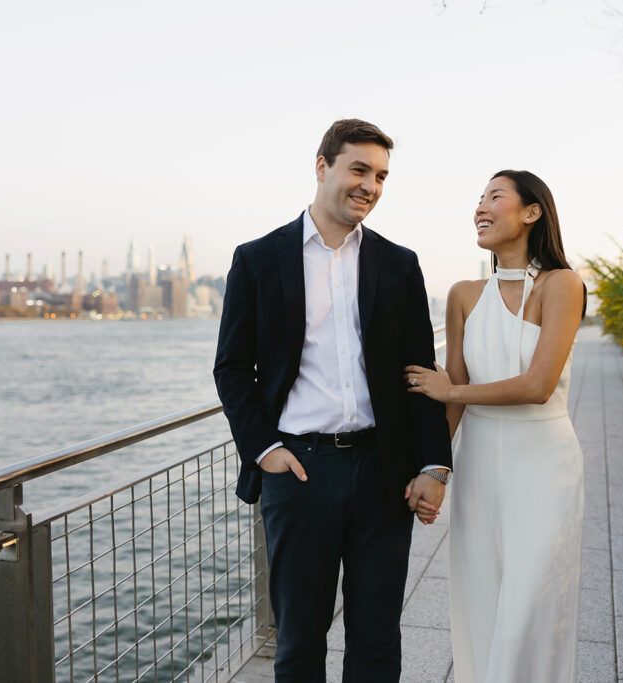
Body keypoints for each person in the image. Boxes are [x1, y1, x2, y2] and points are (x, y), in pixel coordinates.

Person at [213, 119, 452, 683]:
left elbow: (420, 374)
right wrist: (264, 449)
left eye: (382, 176)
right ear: (322, 167)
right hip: (299, 471)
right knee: (299, 637)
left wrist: (434, 464)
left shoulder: (399, 264)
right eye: (359, 170)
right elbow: (231, 368)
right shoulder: (258, 259)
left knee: (376, 637)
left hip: (382, 471)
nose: (370, 185)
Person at [405, 170, 586, 682]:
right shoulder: (464, 294)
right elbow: (455, 395)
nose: (480, 207)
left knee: (531, 608)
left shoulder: (563, 285)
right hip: (480, 464)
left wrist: (450, 390)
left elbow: (537, 385)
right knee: (481, 602)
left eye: (494, 197)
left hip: (545, 465)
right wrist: (434, 473)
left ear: (532, 213)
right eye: (479, 199)